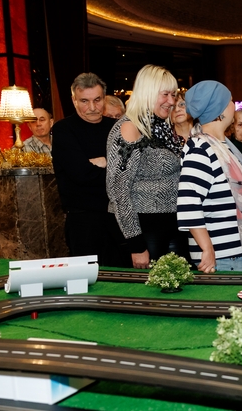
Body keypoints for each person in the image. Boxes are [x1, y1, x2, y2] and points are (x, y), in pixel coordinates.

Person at [177, 80, 242, 273]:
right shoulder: (201, 150)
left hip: (237, 255)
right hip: (222, 258)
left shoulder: (223, 147)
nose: (234, 105)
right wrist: (207, 249)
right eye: (230, 100)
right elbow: (188, 205)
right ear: (220, 110)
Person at [106, 64, 187, 269]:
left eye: (173, 95)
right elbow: (118, 190)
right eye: (165, 94)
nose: (171, 101)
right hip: (144, 229)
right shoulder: (130, 126)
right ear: (147, 93)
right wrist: (136, 244)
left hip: (171, 224)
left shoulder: (160, 127)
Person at [51, 73, 127, 266]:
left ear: (104, 98)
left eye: (97, 100)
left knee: (125, 276)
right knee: (89, 279)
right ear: (74, 101)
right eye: (84, 101)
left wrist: (103, 162)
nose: (92, 107)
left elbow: (132, 170)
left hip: (121, 218)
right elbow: (82, 174)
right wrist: (114, 165)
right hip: (84, 222)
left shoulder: (118, 128)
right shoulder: (63, 129)